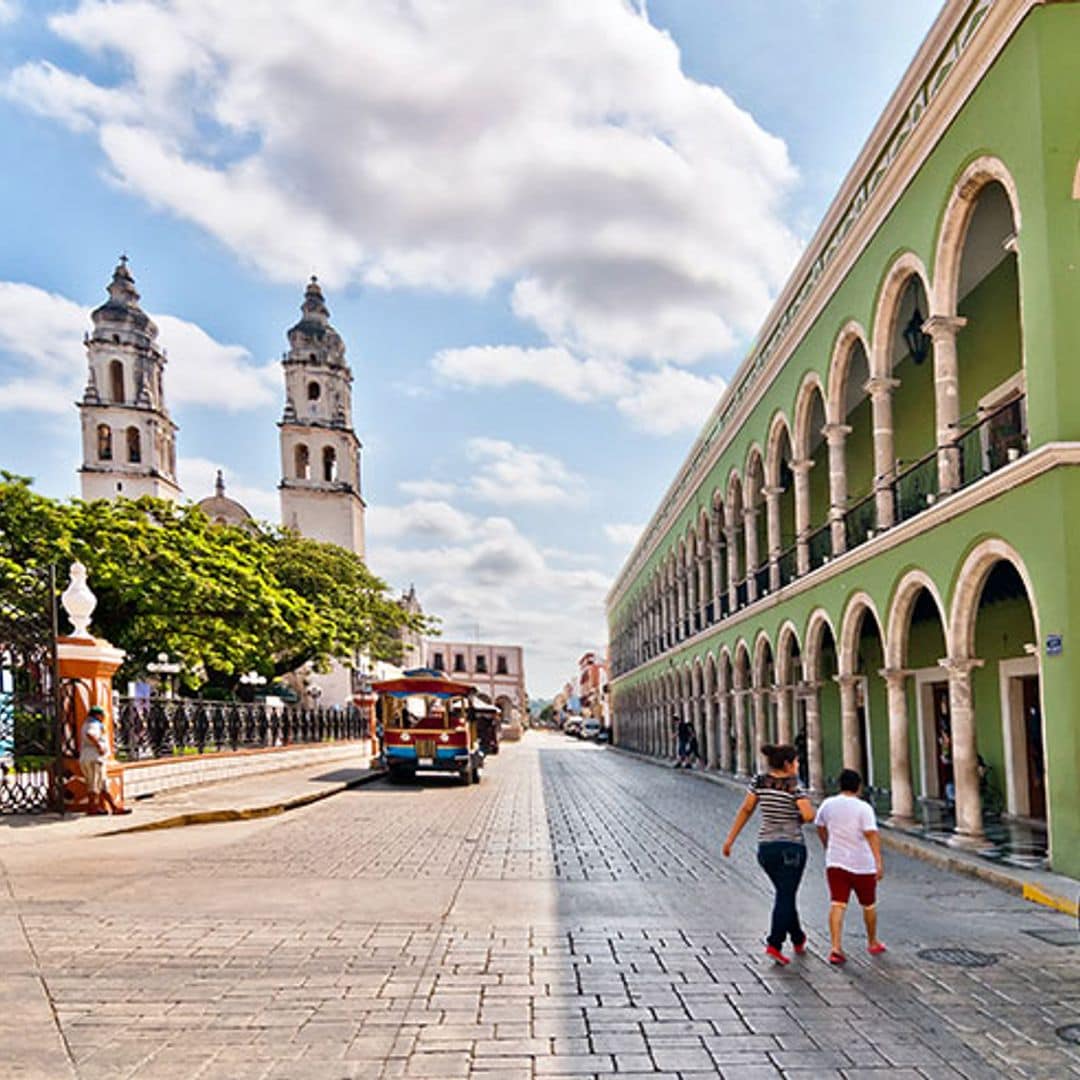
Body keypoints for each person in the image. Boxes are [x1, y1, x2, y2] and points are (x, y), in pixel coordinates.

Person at [722, 744, 815, 964]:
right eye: (796, 762)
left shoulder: (759, 782)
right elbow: (809, 815)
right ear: (787, 764)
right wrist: (799, 818)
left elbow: (746, 809)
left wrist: (730, 839)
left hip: (766, 848)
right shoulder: (794, 785)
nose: (798, 765)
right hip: (791, 847)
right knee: (785, 895)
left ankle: (798, 937)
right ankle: (775, 943)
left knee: (785, 893)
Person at [815, 768, 885, 965]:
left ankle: (836, 947)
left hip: (836, 862)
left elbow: (819, 826)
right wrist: (878, 861)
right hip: (862, 864)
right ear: (859, 787)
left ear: (840, 785)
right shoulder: (864, 808)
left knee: (837, 903)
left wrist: (827, 844)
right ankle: (872, 941)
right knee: (869, 905)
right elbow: (871, 835)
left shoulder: (828, 804)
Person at [79, 705, 130, 815]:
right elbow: (90, 734)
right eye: (102, 715)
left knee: (98, 784)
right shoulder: (94, 724)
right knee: (97, 784)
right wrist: (99, 746)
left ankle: (105, 807)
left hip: (89, 757)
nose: (104, 717)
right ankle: (99, 808)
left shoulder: (87, 723)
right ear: (98, 715)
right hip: (94, 758)